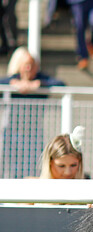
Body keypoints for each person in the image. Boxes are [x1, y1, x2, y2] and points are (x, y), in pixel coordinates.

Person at [0, 48, 65, 179]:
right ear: (20, 67)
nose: (28, 68)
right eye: (26, 65)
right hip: (12, 131)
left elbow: (61, 84)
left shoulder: (41, 79)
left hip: (33, 132)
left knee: (34, 165)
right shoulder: (13, 79)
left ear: (36, 67)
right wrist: (15, 84)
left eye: (31, 65)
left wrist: (38, 85)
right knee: (10, 164)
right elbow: (3, 82)